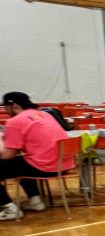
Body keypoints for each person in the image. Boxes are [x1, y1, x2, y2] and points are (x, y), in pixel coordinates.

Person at [0, 91, 73, 220]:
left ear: (14, 106)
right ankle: (35, 201)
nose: (5, 110)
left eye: (5, 107)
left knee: (17, 163)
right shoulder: (45, 114)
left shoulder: (15, 121)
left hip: (44, 167)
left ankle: (9, 208)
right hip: (64, 165)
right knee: (21, 163)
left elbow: (7, 155)